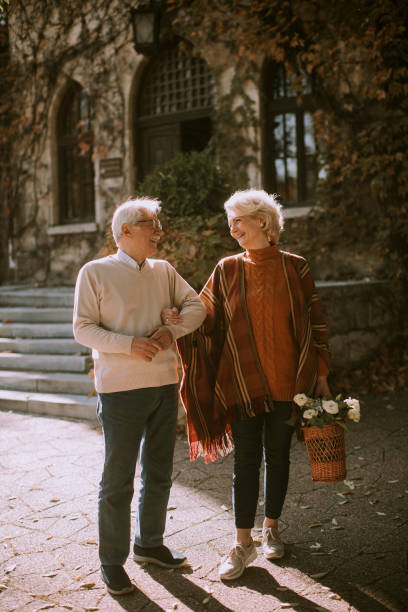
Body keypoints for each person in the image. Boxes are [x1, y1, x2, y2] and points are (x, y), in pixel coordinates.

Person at [166, 189, 331, 581]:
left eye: (238, 219)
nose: (233, 227)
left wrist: (321, 375)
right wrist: (177, 319)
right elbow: (202, 316)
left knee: (278, 457)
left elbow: (316, 324)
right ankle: (242, 543)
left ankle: (270, 528)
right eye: (230, 222)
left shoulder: (296, 268)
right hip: (241, 385)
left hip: (290, 384)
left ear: (262, 220)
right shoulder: (226, 269)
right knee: (244, 463)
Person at [73, 198, 206, 595]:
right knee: (118, 481)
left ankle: (149, 544)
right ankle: (111, 562)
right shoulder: (94, 272)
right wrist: (129, 345)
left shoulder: (164, 271)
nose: (159, 231)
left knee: (160, 472)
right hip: (119, 392)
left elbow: (197, 306)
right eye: (152, 224)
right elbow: (82, 328)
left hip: (164, 385)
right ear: (125, 230)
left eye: (159, 223)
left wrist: (172, 331)